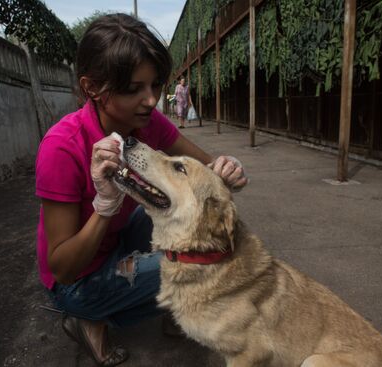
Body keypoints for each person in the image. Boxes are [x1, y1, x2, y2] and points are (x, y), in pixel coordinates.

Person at [35, 13, 248, 366]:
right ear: (92, 89)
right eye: (134, 89)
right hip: (79, 280)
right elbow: (63, 270)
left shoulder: (147, 121)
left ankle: (163, 306)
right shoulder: (61, 147)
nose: (150, 100)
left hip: (117, 243)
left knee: (207, 233)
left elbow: (207, 171)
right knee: (206, 266)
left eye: (155, 85)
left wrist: (229, 169)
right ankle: (91, 316)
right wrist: (105, 204)